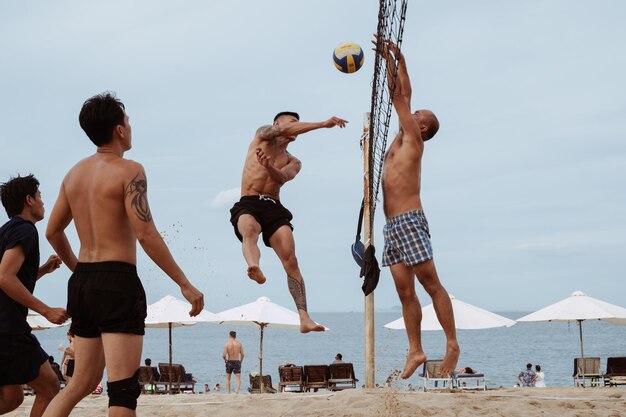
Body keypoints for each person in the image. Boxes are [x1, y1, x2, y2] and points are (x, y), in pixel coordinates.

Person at [43, 92, 204, 417]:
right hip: (117, 281)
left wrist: (78, 269)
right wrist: (184, 283)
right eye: (127, 120)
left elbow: (52, 232)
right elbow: (145, 232)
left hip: (83, 284)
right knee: (122, 390)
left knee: (80, 383)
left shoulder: (73, 174)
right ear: (119, 129)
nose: (130, 126)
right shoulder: (130, 170)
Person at [374, 36, 459, 379]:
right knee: (404, 290)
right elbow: (405, 97)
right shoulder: (399, 139)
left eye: (418, 113)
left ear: (422, 126)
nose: (413, 111)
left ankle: (452, 343)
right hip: (392, 226)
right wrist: (399, 63)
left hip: (409, 220)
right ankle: (416, 349)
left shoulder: (414, 137)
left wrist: (395, 62)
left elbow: (401, 95)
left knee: (430, 284)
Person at [229, 111, 347, 333]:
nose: (296, 126)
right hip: (249, 202)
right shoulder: (262, 135)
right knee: (249, 229)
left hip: (274, 206)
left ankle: (304, 318)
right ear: (277, 123)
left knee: (291, 258)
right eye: (292, 122)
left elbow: (282, 178)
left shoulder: (294, 160)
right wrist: (323, 123)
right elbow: (283, 130)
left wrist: (269, 167)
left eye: (297, 122)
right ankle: (254, 266)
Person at [0, 174, 68, 417]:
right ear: (29, 200)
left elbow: (9, 280)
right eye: (39, 196)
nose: (42, 202)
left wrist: (41, 272)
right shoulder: (26, 230)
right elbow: (5, 278)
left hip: (4, 327)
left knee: (11, 397)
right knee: (49, 386)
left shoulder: (6, 231)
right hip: (9, 329)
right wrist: (46, 310)